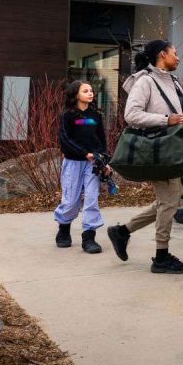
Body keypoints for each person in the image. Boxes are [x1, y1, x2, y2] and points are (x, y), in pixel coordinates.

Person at [107, 40, 183, 274]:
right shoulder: (146, 81)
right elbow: (131, 115)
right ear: (162, 55)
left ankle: (122, 231)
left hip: (174, 152)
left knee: (167, 201)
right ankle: (161, 257)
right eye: (175, 53)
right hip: (160, 152)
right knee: (169, 202)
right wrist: (165, 119)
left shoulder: (172, 81)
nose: (177, 58)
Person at [54, 80, 109, 254]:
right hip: (73, 162)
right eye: (86, 91)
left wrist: (104, 159)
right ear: (76, 94)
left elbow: (101, 140)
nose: (90, 93)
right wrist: (84, 152)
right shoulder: (67, 115)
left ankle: (89, 237)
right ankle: (63, 229)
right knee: (71, 200)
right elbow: (65, 140)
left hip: (93, 163)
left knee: (92, 198)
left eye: (91, 90)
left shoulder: (96, 115)